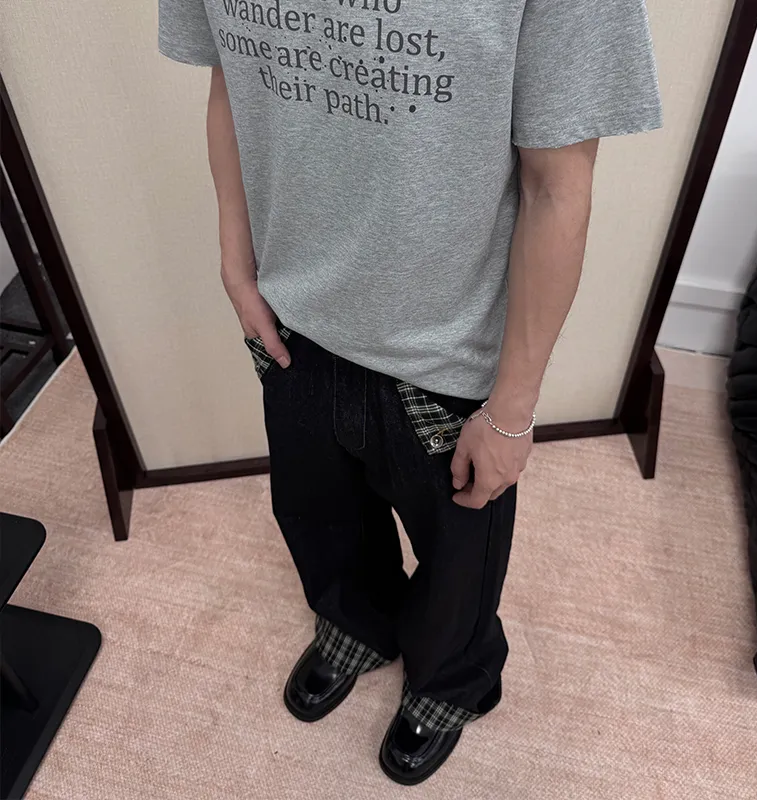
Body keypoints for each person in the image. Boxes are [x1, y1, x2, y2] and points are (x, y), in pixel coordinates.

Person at [159, 0, 662, 785]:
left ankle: (450, 681)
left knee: (459, 563)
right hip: (295, 318)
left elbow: (558, 183)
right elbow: (234, 75)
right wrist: (236, 263)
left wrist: (513, 410)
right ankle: (355, 625)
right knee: (318, 516)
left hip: (449, 355)